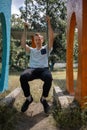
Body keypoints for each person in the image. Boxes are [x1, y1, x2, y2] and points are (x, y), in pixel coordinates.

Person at [20, 16, 54, 114]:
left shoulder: (46, 49)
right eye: (36, 39)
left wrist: (49, 23)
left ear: (42, 40)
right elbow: (23, 44)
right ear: (34, 41)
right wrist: (25, 28)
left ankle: (43, 99)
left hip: (44, 69)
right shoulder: (32, 50)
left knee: (48, 77)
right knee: (23, 77)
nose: (37, 41)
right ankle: (29, 99)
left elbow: (51, 38)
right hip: (32, 69)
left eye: (39, 39)